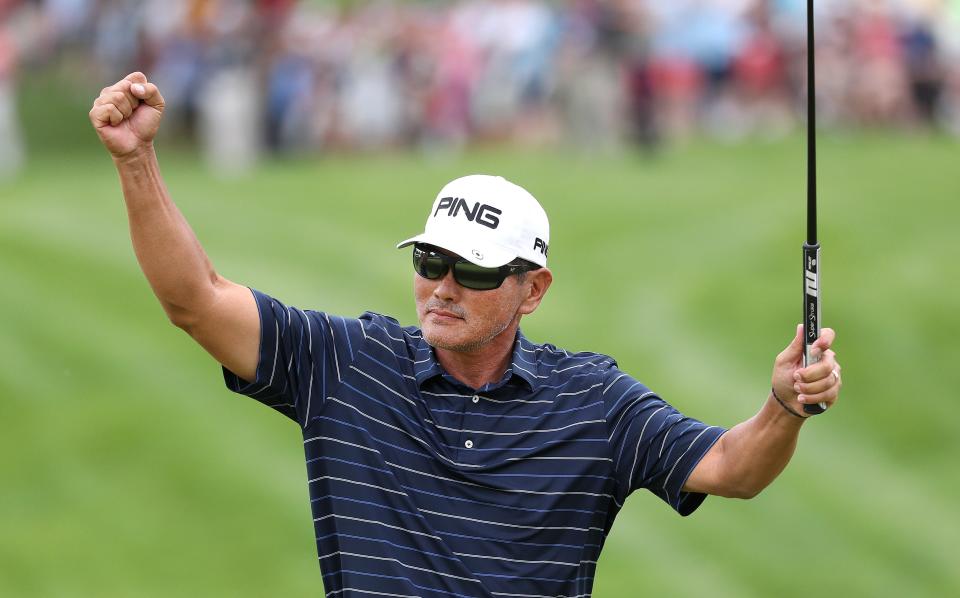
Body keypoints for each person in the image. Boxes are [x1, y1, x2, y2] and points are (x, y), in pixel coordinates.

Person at [89, 72, 843, 597]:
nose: (442, 287)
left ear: (532, 290)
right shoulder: (347, 365)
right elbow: (196, 301)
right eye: (429, 261)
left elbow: (733, 469)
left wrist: (784, 406)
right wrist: (138, 162)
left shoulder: (594, 402)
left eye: (474, 272)